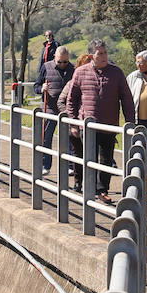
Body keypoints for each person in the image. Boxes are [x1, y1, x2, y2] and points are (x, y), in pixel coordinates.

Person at [67, 39, 134, 204]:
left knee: (106, 159)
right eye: (100, 53)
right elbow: (71, 100)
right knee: (90, 158)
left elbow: (126, 99)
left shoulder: (116, 73)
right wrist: (74, 123)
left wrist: (131, 123)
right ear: (91, 56)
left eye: (105, 52)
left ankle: (102, 190)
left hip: (109, 125)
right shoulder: (80, 72)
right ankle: (90, 189)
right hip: (87, 125)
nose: (104, 56)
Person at [31, 45, 74, 174]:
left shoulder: (73, 69)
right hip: (49, 109)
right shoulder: (46, 67)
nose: (62, 64)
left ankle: (70, 166)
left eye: (65, 62)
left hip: (66, 110)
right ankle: (45, 165)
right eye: (59, 61)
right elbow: (36, 86)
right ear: (54, 58)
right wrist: (41, 89)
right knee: (46, 138)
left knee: (70, 139)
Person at [58, 53, 93, 191]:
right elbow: (61, 101)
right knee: (79, 154)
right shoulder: (71, 83)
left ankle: (94, 186)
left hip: (91, 125)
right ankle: (78, 182)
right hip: (76, 126)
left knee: (93, 156)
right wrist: (71, 117)